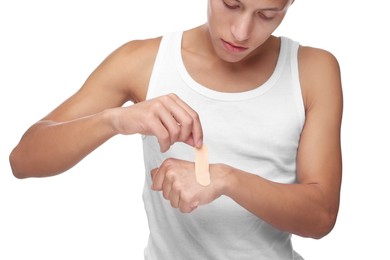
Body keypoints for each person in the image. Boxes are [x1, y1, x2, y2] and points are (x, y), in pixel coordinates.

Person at [9, 0, 343, 259]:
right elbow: (23, 159)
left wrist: (226, 179)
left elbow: (321, 215)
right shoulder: (143, 61)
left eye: (267, 14)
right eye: (231, 4)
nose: (241, 31)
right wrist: (115, 120)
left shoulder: (312, 71)